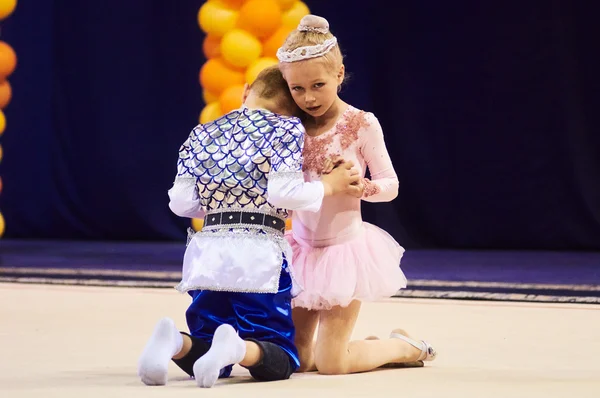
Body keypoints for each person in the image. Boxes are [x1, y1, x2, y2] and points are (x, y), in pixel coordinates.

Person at [137, 65, 361, 388]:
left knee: (206, 338)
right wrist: (329, 185)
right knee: (282, 355)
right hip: (258, 253)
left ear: (246, 92)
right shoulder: (286, 129)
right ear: (294, 113)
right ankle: (238, 347)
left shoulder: (202, 133)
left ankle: (173, 341)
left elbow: (180, 203)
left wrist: (224, 202)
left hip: (208, 249)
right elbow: (283, 192)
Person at [276, 15, 437, 375]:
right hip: (301, 248)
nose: (308, 97)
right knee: (298, 361)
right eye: (297, 89)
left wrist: (360, 187)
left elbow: (391, 184)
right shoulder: (286, 127)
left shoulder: (361, 123)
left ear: (339, 74)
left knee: (332, 364)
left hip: (344, 251)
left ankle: (405, 346)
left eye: (318, 84)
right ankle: (376, 347)